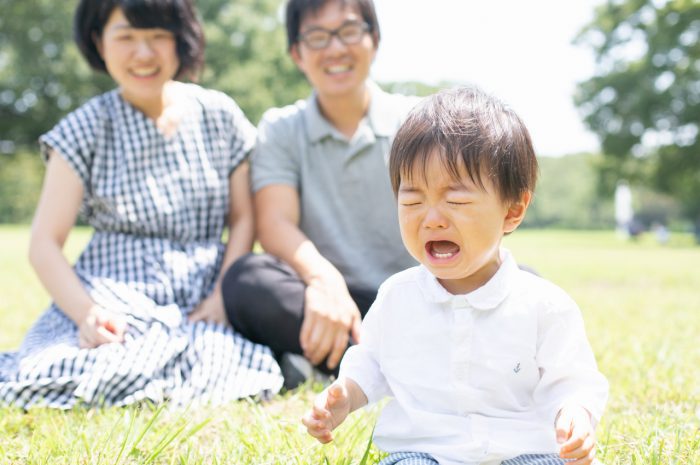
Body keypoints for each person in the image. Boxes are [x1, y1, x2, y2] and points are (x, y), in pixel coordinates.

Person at [302, 87, 609, 465]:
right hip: (424, 451)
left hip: (524, 451)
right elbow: (371, 363)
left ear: (513, 211)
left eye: (457, 201)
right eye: (413, 200)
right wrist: (345, 396)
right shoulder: (397, 297)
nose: (432, 218)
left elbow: (573, 379)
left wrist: (575, 414)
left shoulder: (544, 306)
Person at [0, 0, 282, 408]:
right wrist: (87, 314)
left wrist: (222, 296)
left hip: (202, 292)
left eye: (157, 37)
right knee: (71, 369)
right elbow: (44, 242)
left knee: (223, 366)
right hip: (114, 290)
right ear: (99, 42)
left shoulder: (219, 114)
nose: (144, 53)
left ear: (180, 41)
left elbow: (243, 220)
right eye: (126, 37)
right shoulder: (86, 126)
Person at [220, 0, 418, 385]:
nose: (335, 49)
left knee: (519, 279)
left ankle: (341, 367)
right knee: (246, 279)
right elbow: (274, 223)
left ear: (373, 40)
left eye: (348, 31)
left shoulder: (418, 121)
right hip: (328, 304)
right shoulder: (281, 129)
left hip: (417, 296)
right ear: (297, 53)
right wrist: (324, 281)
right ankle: (396, 369)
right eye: (316, 36)